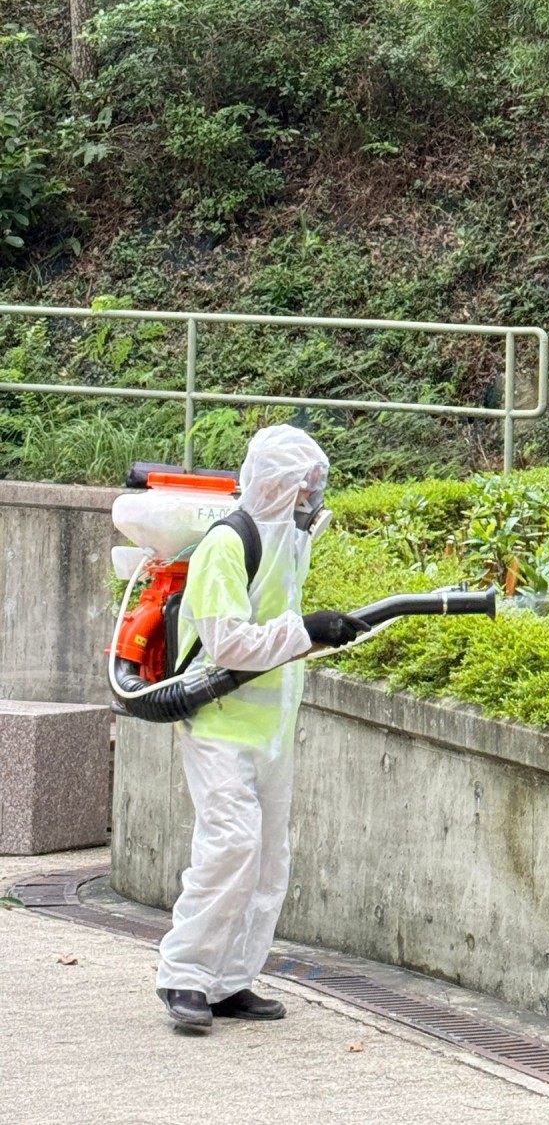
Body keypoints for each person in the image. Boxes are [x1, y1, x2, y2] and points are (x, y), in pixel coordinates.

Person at [155, 423, 365, 1031]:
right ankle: (185, 977)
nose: (313, 497)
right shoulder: (229, 542)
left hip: (271, 725)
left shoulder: (289, 538)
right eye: (306, 485)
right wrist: (307, 630)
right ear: (278, 483)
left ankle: (230, 981)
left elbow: (279, 623)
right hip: (220, 723)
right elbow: (224, 641)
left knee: (269, 857)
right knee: (230, 847)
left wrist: (318, 630)